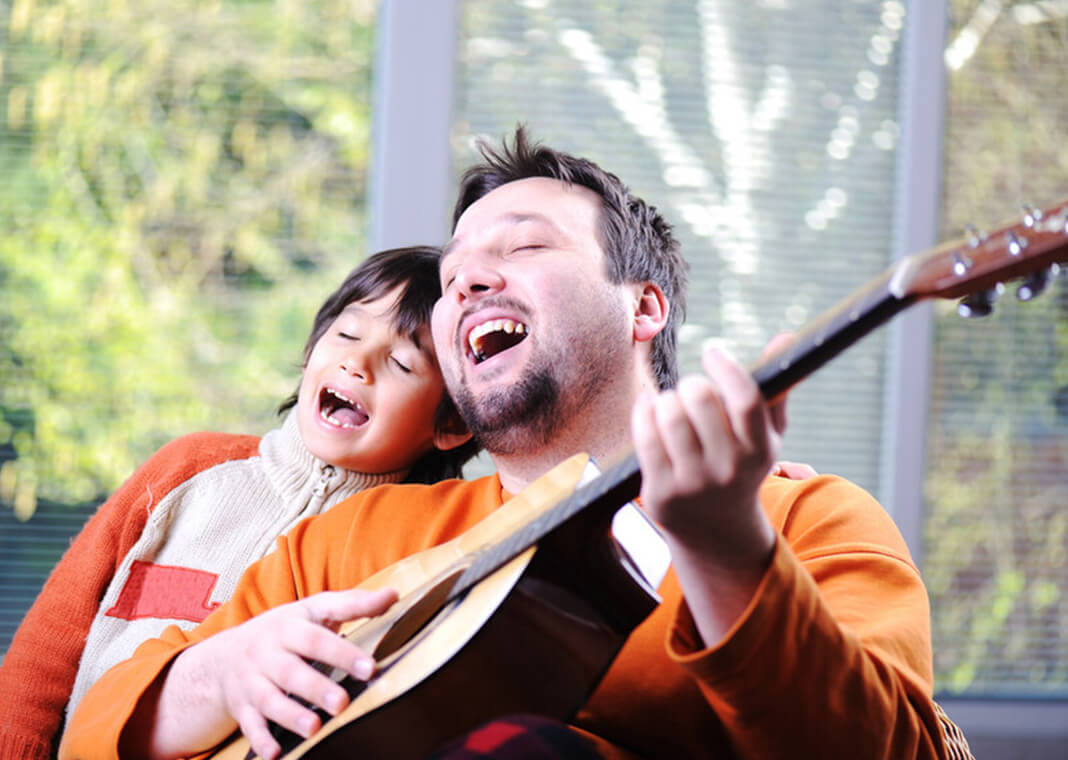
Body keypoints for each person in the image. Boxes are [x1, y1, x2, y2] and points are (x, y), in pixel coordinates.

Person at [60, 129, 949, 759]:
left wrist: (728, 551)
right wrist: (219, 675)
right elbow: (99, 727)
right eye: (452, 279)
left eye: (523, 246)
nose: (470, 278)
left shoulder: (804, 520)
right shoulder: (350, 543)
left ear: (644, 306)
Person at [0, 246, 478, 760]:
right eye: (347, 333)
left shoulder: (406, 548)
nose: (356, 363)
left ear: (450, 424)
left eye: (402, 363)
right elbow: (48, 647)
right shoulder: (188, 468)